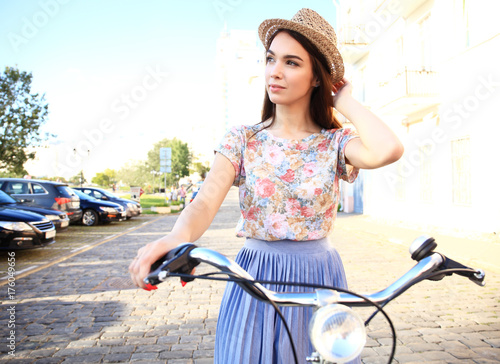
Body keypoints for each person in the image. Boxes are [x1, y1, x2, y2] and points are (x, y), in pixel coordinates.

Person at [129, 8, 404, 364]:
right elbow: (204, 201)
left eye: (292, 62)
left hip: (320, 277)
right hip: (255, 274)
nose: (274, 70)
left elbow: (389, 149)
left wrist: (346, 101)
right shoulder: (243, 139)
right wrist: (175, 238)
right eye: (271, 58)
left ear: (316, 77)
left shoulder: (334, 142)